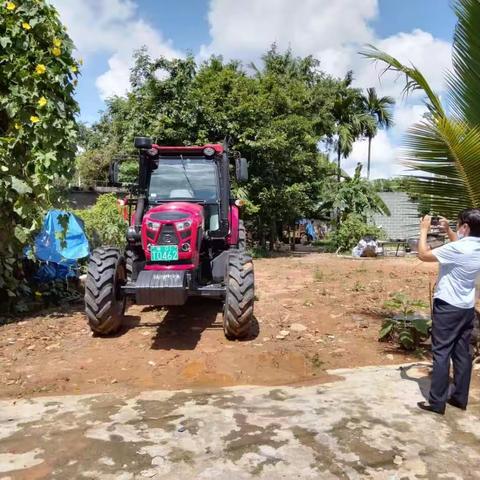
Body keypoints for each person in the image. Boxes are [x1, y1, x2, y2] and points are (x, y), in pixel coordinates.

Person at [416, 210, 480, 415]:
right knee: (462, 353)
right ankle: (460, 398)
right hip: (467, 308)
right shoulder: (473, 247)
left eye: (458, 224)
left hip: (447, 307)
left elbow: (423, 255)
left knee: (441, 353)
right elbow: (461, 246)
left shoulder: (457, 248)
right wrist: (449, 231)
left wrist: (424, 230)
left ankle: (437, 402)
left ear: (466, 227)